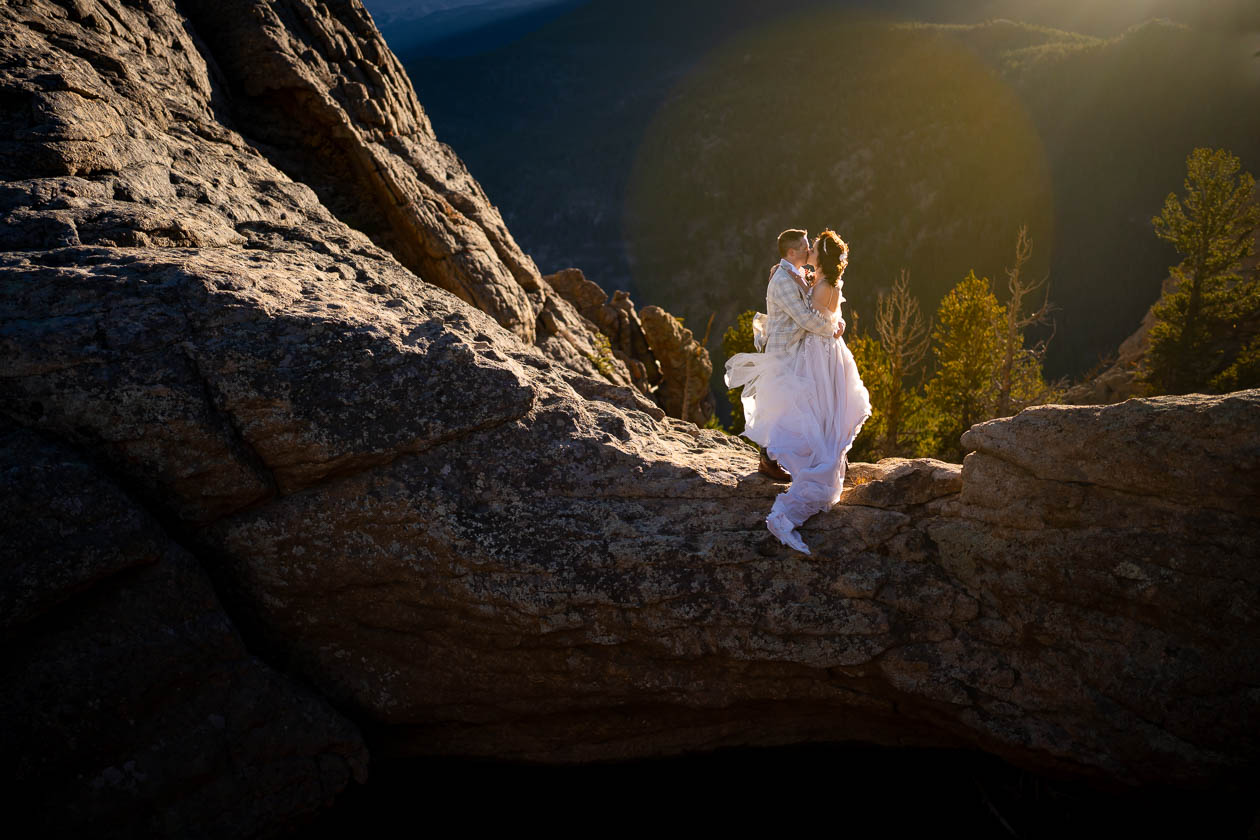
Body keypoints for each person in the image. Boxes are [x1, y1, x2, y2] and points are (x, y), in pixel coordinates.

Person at [724, 228, 871, 554]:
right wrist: (835, 324)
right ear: (793, 253)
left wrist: (833, 321)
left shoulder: (801, 276)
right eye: (805, 247)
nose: (808, 252)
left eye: (813, 248)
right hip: (792, 349)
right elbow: (809, 316)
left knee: (804, 405)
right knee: (793, 404)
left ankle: (781, 456)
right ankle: (772, 456)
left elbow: (814, 307)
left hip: (810, 350)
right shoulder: (787, 279)